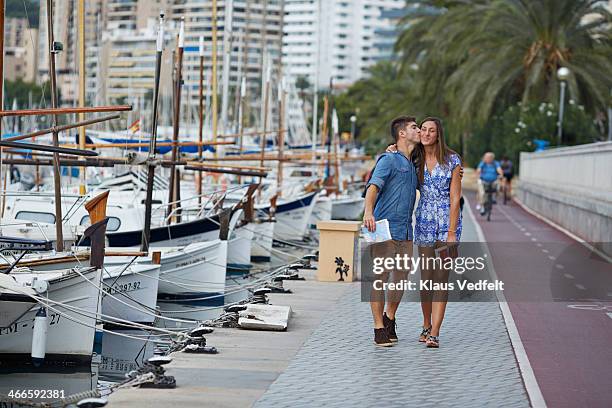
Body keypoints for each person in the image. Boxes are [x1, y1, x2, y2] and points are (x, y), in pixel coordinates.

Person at [363, 116, 420, 347]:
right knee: (380, 279)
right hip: (383, 228)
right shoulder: (388, 159)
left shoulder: (414, 163)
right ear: (402, 134)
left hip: (406, 230)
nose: (419, 131)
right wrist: (368, 212)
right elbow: (373, 187)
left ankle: (389, 317)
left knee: (401, 279)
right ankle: (378, 328)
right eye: (414, 128)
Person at [412, 117, 462, 348]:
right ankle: (425, 323)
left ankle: (435, 332)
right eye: (423, 129)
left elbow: (455, 198)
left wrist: (451, 232)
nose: (426, 133)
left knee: (441, 279)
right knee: (426, 279)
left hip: (446, 223)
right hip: (424, 220)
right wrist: (391, 149)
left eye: (431, 130)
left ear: (438, 134)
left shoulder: (452, 160)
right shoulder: (414, 158)